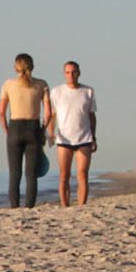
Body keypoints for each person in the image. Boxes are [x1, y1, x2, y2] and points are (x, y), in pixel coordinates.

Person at [0, 53, 49, 208]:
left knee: (14, 173)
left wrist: (6, 128)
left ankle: (14, 207)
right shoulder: (41, 84)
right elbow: (48, 113)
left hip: (15, 127)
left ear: (15, 67)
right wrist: (43, 129)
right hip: (33, 128)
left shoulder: (8, 84)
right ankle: (29, 207)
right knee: (31, 174)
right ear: (32, 66)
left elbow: (1, 112)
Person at [44, 60, 97, 207]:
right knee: (64, 176)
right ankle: (65, 205)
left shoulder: (88, 91)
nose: (71, 75)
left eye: (74, 72)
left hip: (84, 138)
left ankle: (81, 206)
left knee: (82, 174)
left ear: (79, 73)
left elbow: (92, 115)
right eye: (68, 72)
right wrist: (50, 132)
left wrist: (94, 136)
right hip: (64, 139)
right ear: (64, 74)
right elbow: (53, 114)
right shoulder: (56, 92)